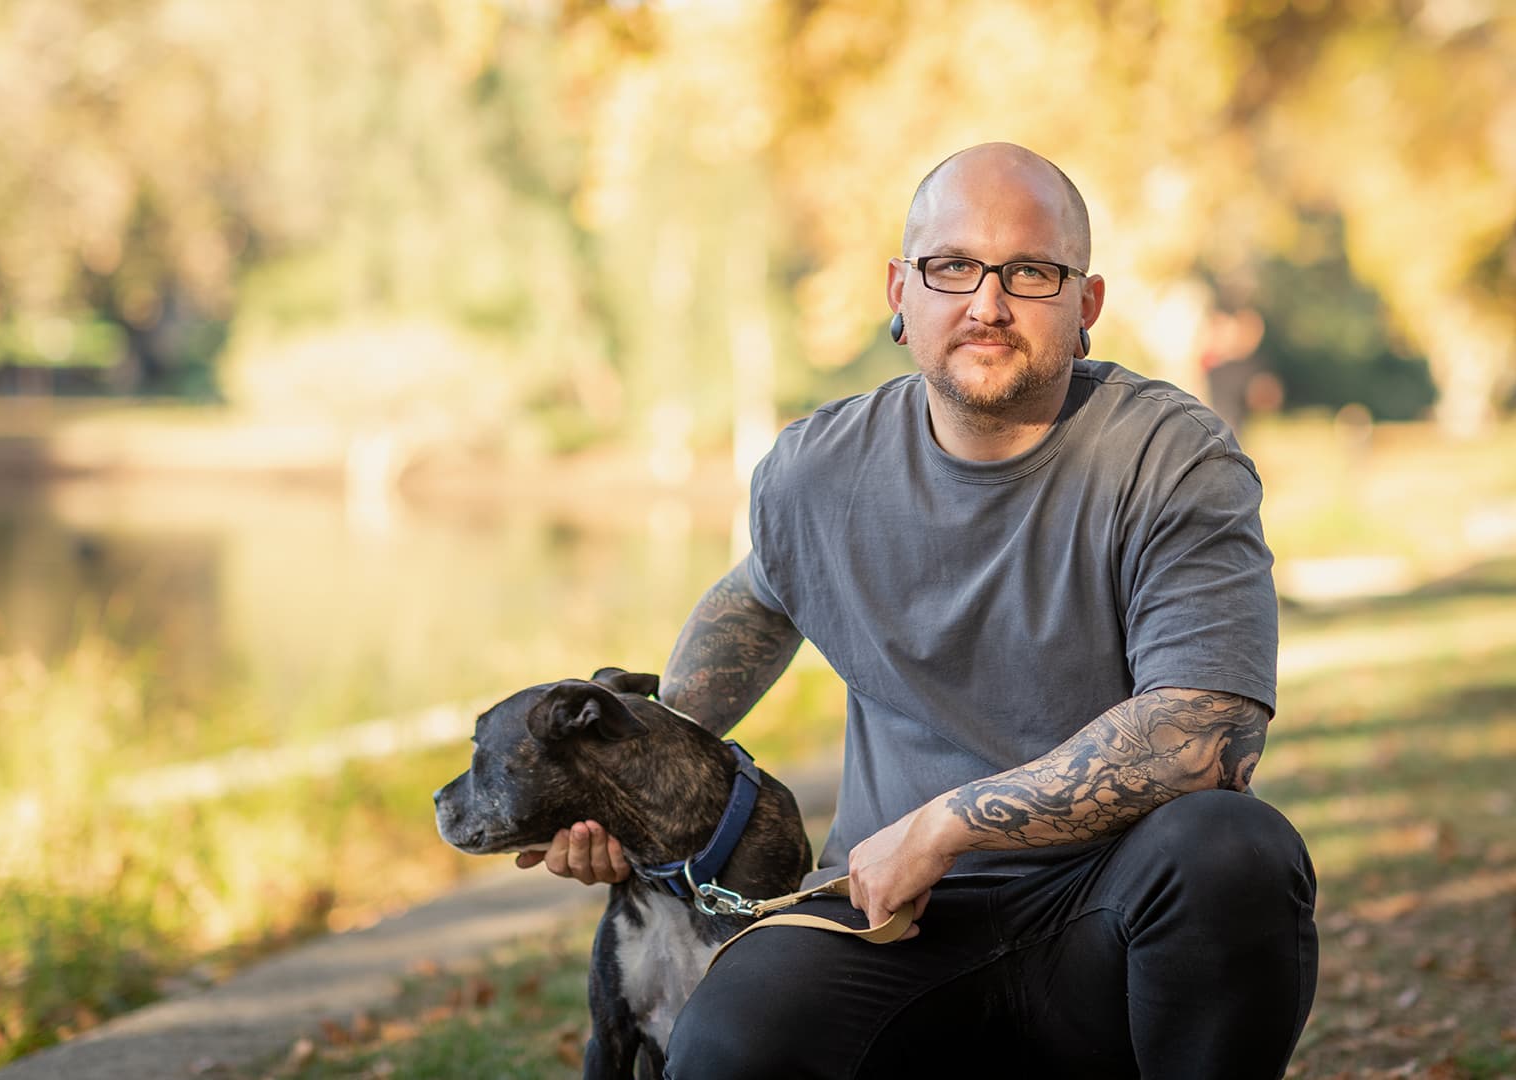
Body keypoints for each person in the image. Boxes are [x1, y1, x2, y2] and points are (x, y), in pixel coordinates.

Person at [523, 143, 1318, 1078]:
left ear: (1086, 304)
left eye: (1030, 271)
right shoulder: (820, 470)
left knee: (1231, 852)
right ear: (900, 291)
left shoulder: (1169, 458)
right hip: (884, 926)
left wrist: (948, 823)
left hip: (1106, 925)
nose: (987, 303)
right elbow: (751, 601)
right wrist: (634, 784)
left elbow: (1207, 735)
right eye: (953, 268)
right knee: (734, 1038)